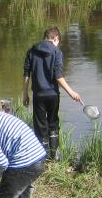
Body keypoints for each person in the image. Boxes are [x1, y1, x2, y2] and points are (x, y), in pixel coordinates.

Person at [23, 26, 82, 161]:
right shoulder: (57, 52)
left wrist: (25, 94)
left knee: (40, 125)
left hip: (38, 94)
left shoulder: (31, 51)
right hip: (53, 95)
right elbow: (58, 76)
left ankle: (42, 156)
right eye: (58, 41)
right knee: (53, 123)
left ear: (45, 37)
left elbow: (26, 74)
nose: (57, 44)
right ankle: (54, 156)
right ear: (55, 38)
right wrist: (71, 92)